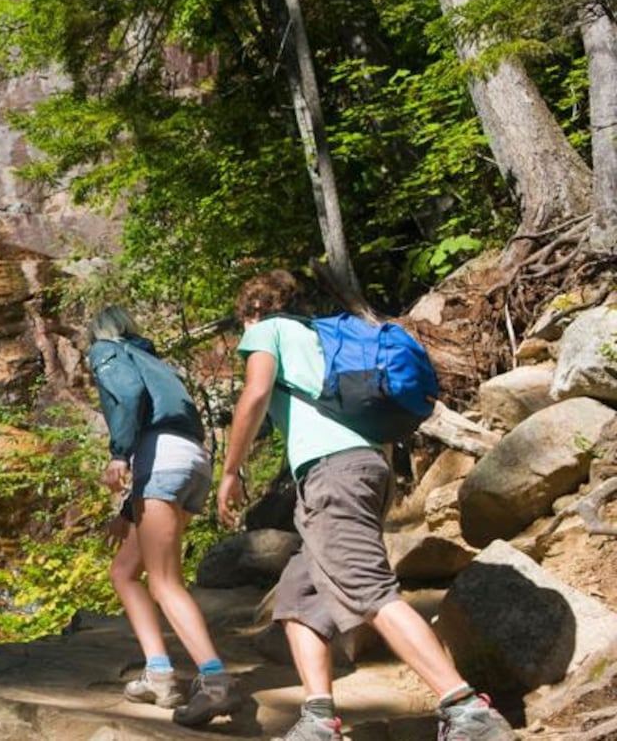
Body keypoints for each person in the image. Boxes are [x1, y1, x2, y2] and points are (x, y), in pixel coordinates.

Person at [216, 270, 516, 741]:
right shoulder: (317, 336)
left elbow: (255, 394)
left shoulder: (266, 330)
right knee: (300, 602)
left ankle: (466, 709)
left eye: (244, 317)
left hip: (333, 476)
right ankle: (318, 723)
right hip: (365, 469)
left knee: (369, 593)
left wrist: (230, 471)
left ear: (252, 311)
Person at [86, 306, 241, 727]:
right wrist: (127, 507)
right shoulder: (154, 360)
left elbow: (131, 398)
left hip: (162, 462)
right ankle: (160, 674)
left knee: (165, 581)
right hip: (190, 461)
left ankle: (214, 680)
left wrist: (118, 456)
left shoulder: (106, 351)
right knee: (124, 571)